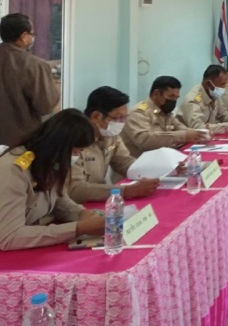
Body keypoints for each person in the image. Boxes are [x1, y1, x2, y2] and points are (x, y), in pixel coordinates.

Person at [0, 109, 105, 250]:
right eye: (75, 151)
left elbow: (57, 200)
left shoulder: (47, 160)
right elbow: (9, 237)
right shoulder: (14, 170)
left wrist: (82, 213)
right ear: (60, 146)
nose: (77, 157)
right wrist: (77, 228)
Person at [69, 87, 160, 203]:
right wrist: (128, 191)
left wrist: (160, 171)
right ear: (96, 116)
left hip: (101, 199)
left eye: (124, 117)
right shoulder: (75, 141)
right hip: (79, 204)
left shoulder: (110, 135)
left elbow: (125, 163)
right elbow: (76, 190)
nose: (121, 122)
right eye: (117, 117)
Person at [0, 13, 60, 146]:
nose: (33, 38)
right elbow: (45, 106)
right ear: (23, 36)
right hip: (21, 142)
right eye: (32, 34)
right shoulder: (34, 65)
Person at [121, 76, 207, 158]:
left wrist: (199, 134)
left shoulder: (166, 112)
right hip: (139, 163)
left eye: (176, 98)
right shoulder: (138, 113)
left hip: (163, 159)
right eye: (171, 96)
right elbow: (145, 140)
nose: (174, 101)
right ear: (156, 93)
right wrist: (183, 136)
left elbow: (182, 129)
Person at [180, 65, 228, 135]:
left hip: (207, 136)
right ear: (208, 84)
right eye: (222, 84)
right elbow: (198, 128)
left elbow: (223, 114)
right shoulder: (193, 100)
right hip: (189, 140)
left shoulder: (213, 93)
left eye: (225, 84)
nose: (224, 88)